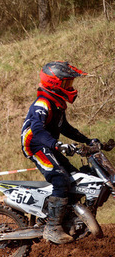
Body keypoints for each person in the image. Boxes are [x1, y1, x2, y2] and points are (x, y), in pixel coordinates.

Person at [21, 61, 100, 244]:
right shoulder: (42, 103)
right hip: (35, 145)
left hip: (48, 145)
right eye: (67, 83)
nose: (70, 87)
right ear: (54, 84)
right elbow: (37, 130)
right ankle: (52, 227)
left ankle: (64, 216)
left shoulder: (57, 103)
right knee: (60, 179)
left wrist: (88, 141)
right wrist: (57, 145)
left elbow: (65, 128)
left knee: (75, 178)